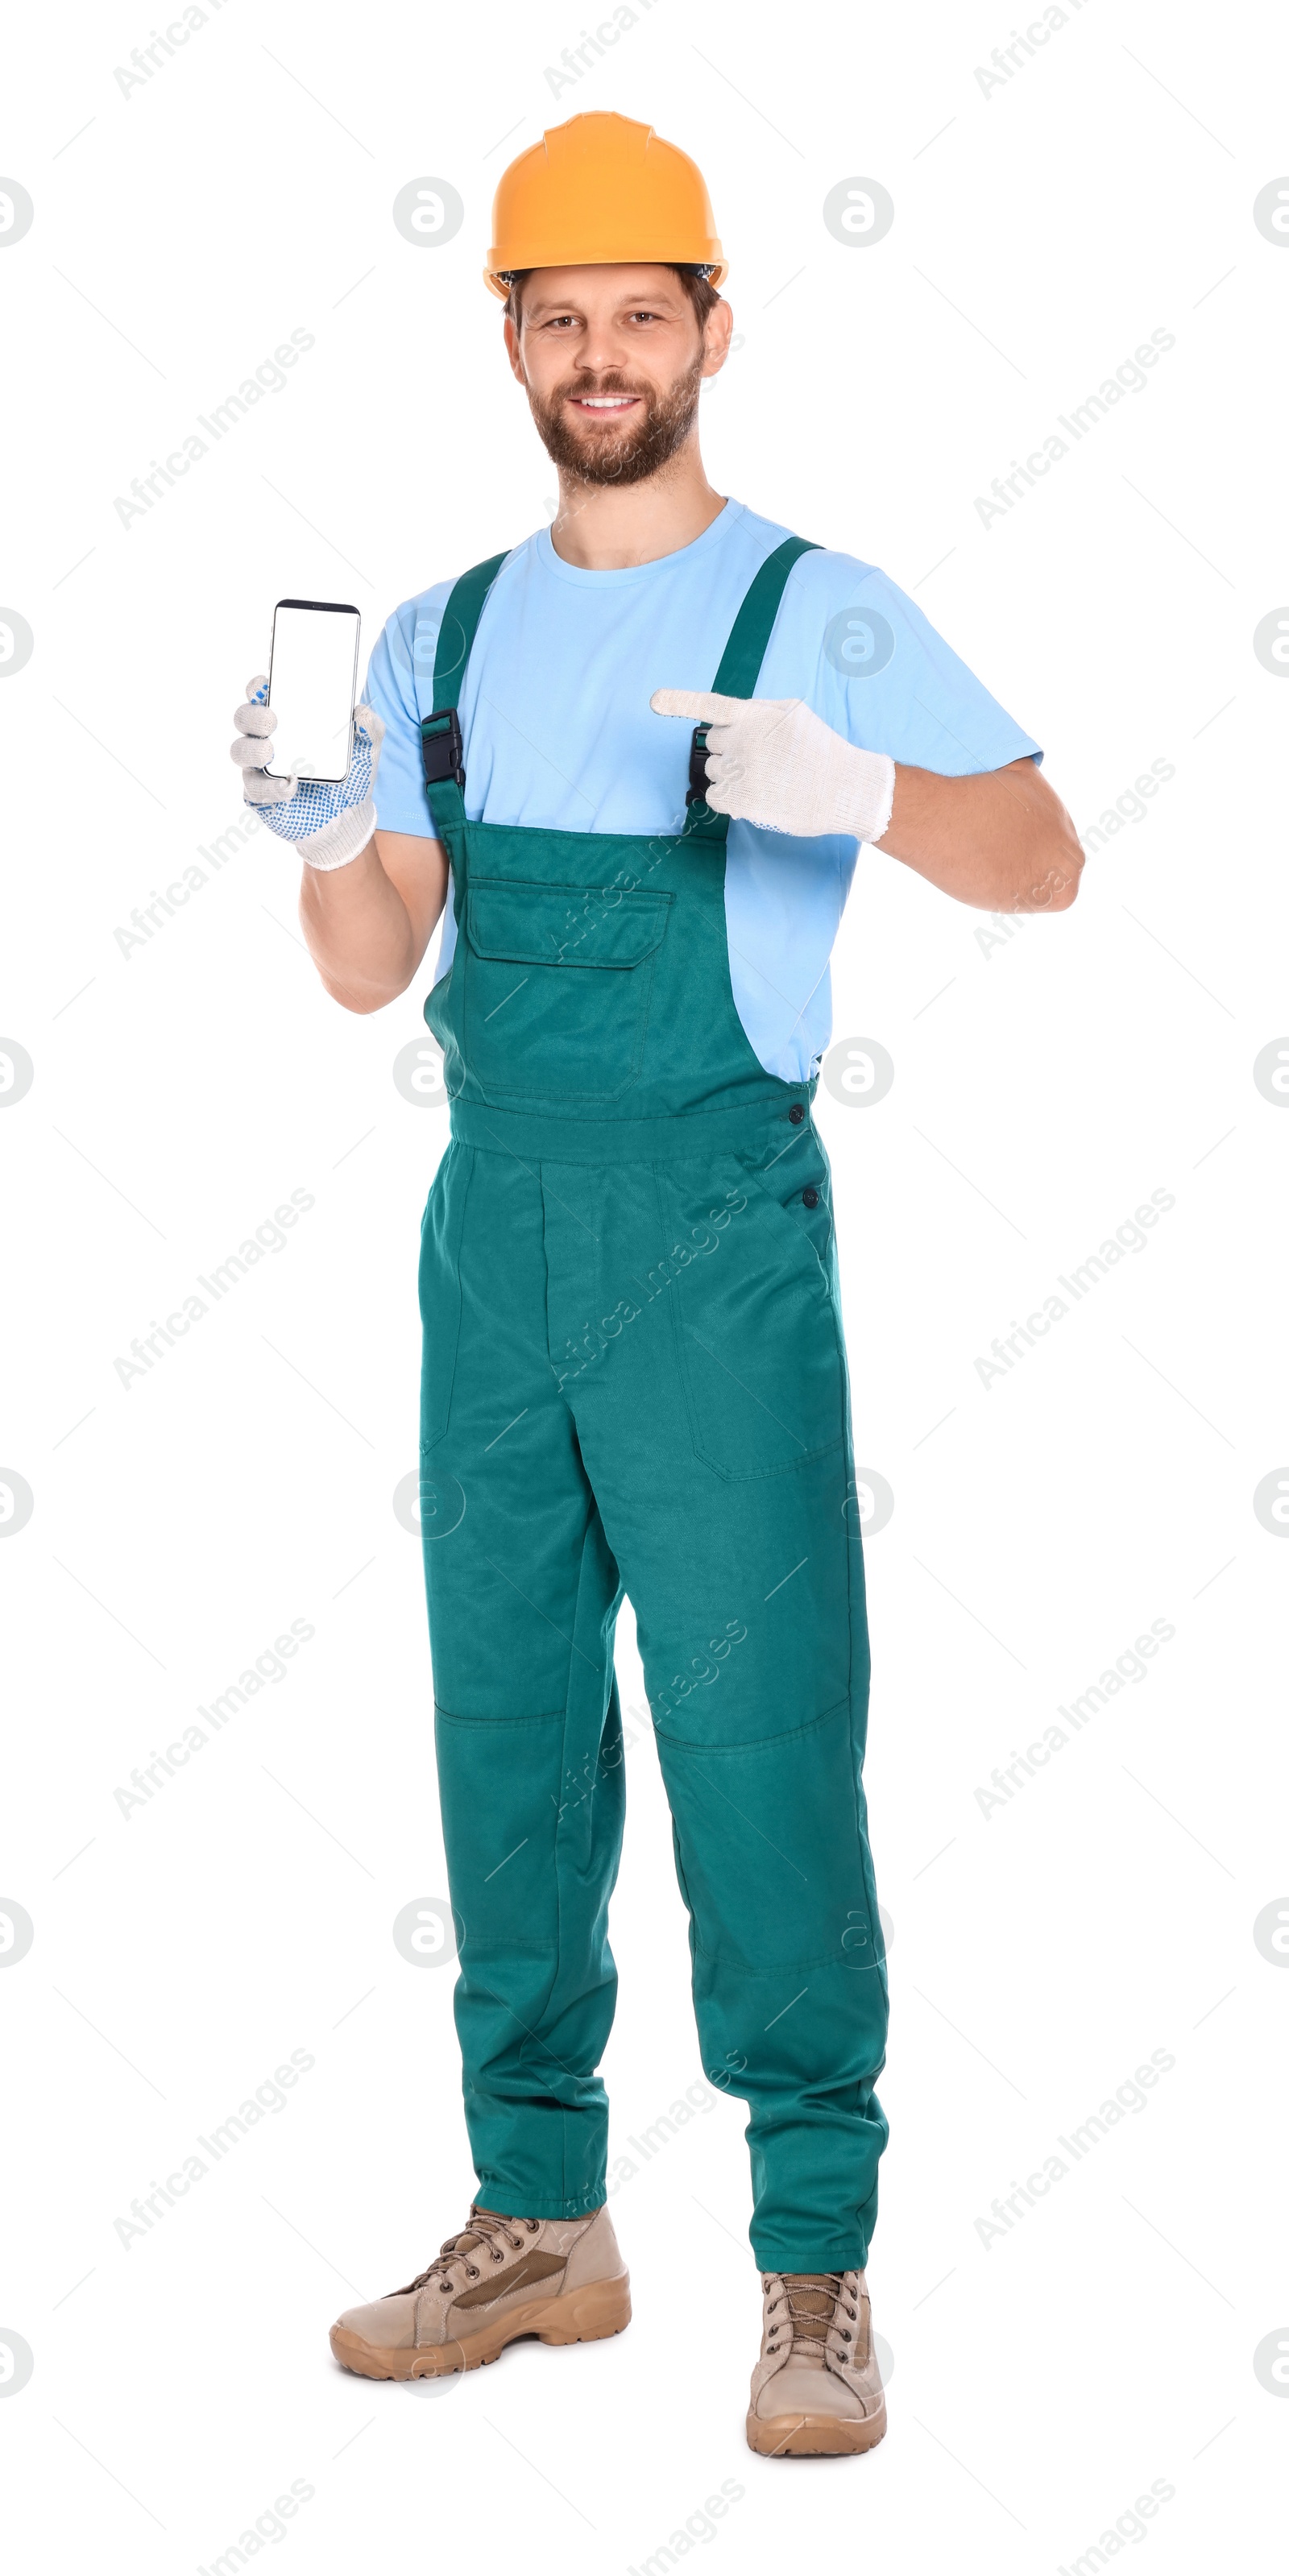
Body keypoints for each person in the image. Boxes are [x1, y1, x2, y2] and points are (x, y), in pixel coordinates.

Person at [230, 110, 1082, 2455]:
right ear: (507, 339)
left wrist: (866, 791)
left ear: (712, 329)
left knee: (756, 1734)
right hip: (491, 1227)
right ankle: (544, 2216)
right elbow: (371, 966)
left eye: (640, 313)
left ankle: (814, 2261)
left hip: (715, 1234)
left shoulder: (824, 606)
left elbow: (1050, 857)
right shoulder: (443, 631)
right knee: (507, 1725)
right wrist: (322, 835)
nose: (600, 357)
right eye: (557, 317)